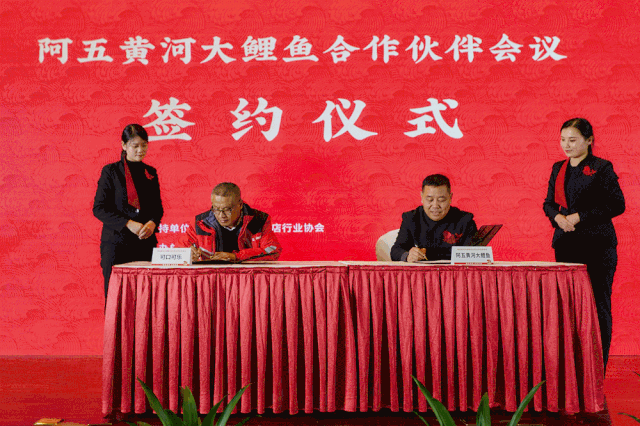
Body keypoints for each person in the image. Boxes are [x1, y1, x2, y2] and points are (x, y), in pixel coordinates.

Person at [543, 117, 625, 368]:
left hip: (598, 247)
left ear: (589, 141)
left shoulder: (601, 167)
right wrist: (557, 217)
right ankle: (572, 368)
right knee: (568, 308)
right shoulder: (558, 168)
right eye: (563, 140)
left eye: (572, 140)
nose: (566, 145)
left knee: (598, 306)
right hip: (566, 246)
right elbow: (548, 203)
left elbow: (617, 205)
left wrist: (580, 216)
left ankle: (597, 368)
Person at [93, 124, 163, 299]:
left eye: (144, 145)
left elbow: (157, 208)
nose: (140, 150)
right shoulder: (111, 172)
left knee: (145, 296)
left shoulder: (150, 172)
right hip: (117, 244)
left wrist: (152, 223)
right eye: (135, 146)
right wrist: (128, 223)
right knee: (116, 297)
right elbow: (99, 208)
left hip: (144, 243)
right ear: (124, 145)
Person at [391, 174, 477, 262]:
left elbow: (474, 254)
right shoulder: (411, 218)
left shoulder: (465, 221)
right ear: (421, 197)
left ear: (450, 198)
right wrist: (408, 256)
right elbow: (396, 251)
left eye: (441, 200)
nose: (435, 205)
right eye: (430, 199)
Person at [187, 182, 282, 262]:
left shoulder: (259, 220)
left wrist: (236, 257)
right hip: (211, 276)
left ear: (240, 205)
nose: (221, 215)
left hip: (248, 276)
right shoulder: (200, 223)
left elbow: (273, 251)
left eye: (227, 209)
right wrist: (188, 255)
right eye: (216, 209)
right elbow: (180, 251)